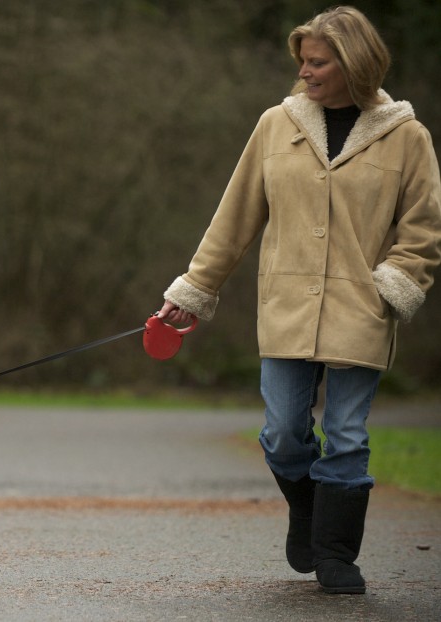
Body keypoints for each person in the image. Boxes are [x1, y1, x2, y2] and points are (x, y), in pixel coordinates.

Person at [157, 6, 441, 595]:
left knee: (347, 434)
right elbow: (234, 218)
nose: (305, 72)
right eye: (303, 61)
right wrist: (193, 290)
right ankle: (308, 509)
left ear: (353, 63)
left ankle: (336, 555)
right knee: (285, 432)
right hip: (286, 305)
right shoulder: (275, 125)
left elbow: (424, 228)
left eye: (318, 62)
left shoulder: (406, 135)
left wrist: (395, 282)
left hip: (361, 309)